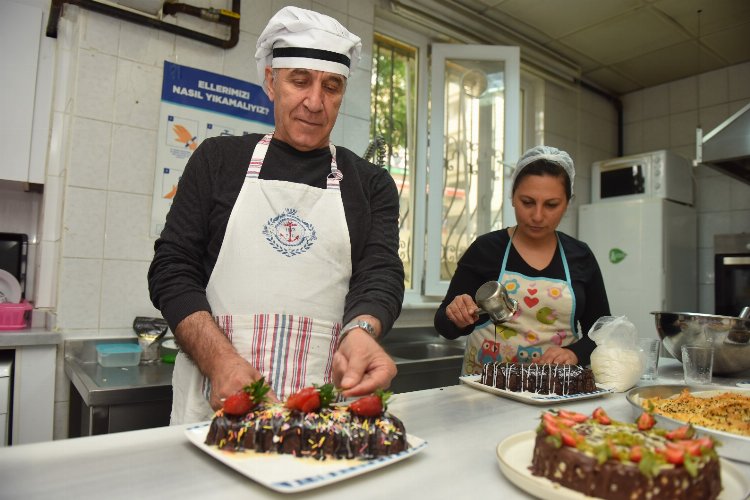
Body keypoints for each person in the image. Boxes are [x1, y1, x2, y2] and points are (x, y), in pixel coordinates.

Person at [148, 6, 405, 424]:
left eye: (332, 86)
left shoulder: (371, 183)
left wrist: (363, 330)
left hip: (323, 405)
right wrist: (220, 361)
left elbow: (380, 273)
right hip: (216, 397)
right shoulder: (217, 160)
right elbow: (172, 269)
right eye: (299, 81)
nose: (315, 102)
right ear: (272, 81)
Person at [434, 145, 610, 375]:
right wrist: (456, 316)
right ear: (513, 197)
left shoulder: (580, 255)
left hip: (555, 390)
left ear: (568, 202)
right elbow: (444, 325)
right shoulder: (486, 249)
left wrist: (574, 353)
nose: (537, 216)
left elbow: (603, 331)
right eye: (527, 202)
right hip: (485, 392)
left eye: (551, 205)